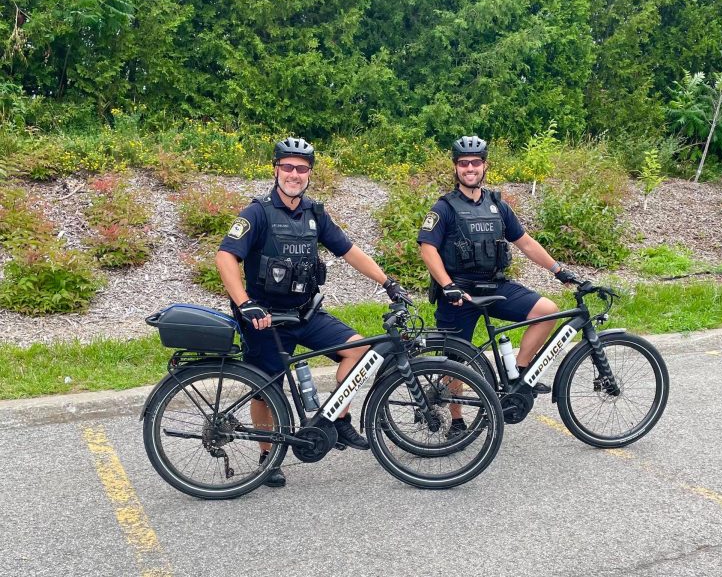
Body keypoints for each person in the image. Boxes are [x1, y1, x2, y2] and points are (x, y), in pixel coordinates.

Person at [216, 137, 409, 488]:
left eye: (301, 168)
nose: (294, 174)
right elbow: (226, 256)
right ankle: (267, 456)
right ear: (276, 169)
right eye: (288, 167)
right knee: (264, 389)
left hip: (306, 313)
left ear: (309, 174)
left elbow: (349, 251)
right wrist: (245, 303)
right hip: (266, 319)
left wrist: (388, 282)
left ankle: (338, 419)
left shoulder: (314, 213)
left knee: (360, 350)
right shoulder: (257, 213)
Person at [417, 135, 577, 436]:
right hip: (459, 293)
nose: (469, 168)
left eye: (475, 162)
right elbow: (428, 248)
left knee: (547, 311)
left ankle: (517, 375)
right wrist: (448, 285)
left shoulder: (497, 205)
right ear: (455, 168)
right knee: (457, 360)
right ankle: (458, 419)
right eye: (463, 163)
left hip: (495, 286)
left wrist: (559, 270)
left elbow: (526, 242)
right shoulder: (444, 208)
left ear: (484, 165)